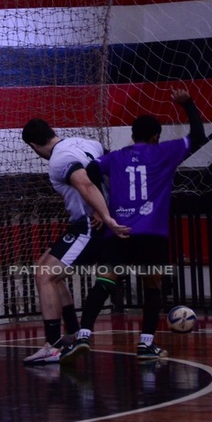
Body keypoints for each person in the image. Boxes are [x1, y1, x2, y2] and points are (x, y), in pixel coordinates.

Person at [60, 88, 205, 362]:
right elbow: (198, 137)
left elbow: (90, 171)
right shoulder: (165, 152)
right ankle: (146, 344)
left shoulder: (115, 157)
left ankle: (83, 336)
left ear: (132, 135)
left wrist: (100, 208)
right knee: (152, 286)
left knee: (104, 282)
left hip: (119, 231)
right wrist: (188, 104)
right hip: (152, 234)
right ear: (155, 136)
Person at [20, 118, 130, 365]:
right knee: (43, 267)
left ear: (34, 146)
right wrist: (108, 206)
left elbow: (85, 183)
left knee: (45, 275)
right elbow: (118, 170)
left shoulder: (59, 160)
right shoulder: (87, 143)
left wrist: (105, 215)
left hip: (89, 227)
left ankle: (53, 346)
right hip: (87, 223)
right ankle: (71, 333)